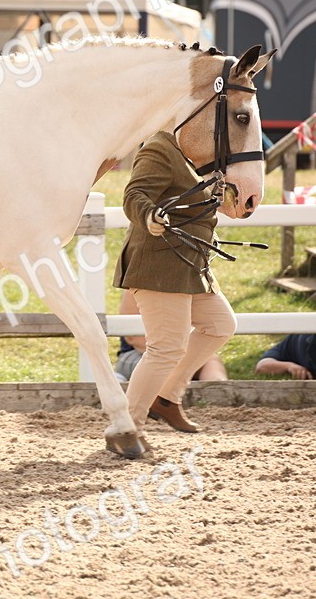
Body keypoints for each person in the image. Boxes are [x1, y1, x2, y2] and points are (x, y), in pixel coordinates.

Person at [113, 131, 237, 441]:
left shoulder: (196, 158)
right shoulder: (160, 147)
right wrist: (150, 215)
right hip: (159, 263)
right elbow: (134, 195)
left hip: (189, 266)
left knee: (220, 324)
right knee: (166, 347)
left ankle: (167, 398)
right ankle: (126, 427)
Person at [113, 290, 229, 383]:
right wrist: (173, 352)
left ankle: (219, 394)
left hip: (179, 351)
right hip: (140, 353)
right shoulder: (139, 282)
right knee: (164, 361)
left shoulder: (187, 284)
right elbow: (134, 338)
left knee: (210, 360)